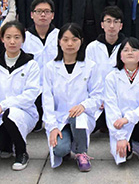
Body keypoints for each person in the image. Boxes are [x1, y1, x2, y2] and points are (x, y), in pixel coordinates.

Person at [0, 21, 40, 171]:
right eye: (8, 37)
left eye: (17, 37)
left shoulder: (31, 65)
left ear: (23, 39)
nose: (12, 41)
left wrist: (2, 106)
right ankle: (7, 144)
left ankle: (21, 152)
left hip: (24, 114)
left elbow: (30, 95)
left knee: (11, 114)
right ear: (2, 39)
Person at [43, 23, 104, 172]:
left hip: (82, 117)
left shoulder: (90, 66)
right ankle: (68, 142)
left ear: (81, 41)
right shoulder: (50, 67)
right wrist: (52, 127)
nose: (70, 44)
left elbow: (97, 95)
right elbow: (47, 99)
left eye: (74, 39)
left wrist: (83, 106)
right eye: (65, 39)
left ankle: (81, 152)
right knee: (60, 150)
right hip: (60, 118)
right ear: (59, 42)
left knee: (78, 117)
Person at [104, 37, 139, 167]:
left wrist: (128, 118)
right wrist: (120, 136)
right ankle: (128, 146)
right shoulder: (111, 77)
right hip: (120, 123)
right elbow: (111, 107)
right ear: (120, 56)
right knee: (124, 156)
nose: (130, 52)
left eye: (134, 49)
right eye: (125, 50)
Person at [86, 6, 126, 132]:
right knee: (88, 127)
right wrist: (100, 99)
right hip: (98, 100)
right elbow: (88, 78)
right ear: (102, 25)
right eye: (108, 21)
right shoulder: (92, 47)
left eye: (116, 22)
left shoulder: (127, 47)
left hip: (121, 100)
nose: (112, 26)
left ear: (121, 25)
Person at [23, 0, 60, 131]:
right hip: (33, 88)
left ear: (52, 15)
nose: (43, 15)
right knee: (35, 125)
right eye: (39, 11)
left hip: (57, 87)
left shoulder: (60, 36)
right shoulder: (24, 38)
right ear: (32, 15)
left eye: (47, 11)